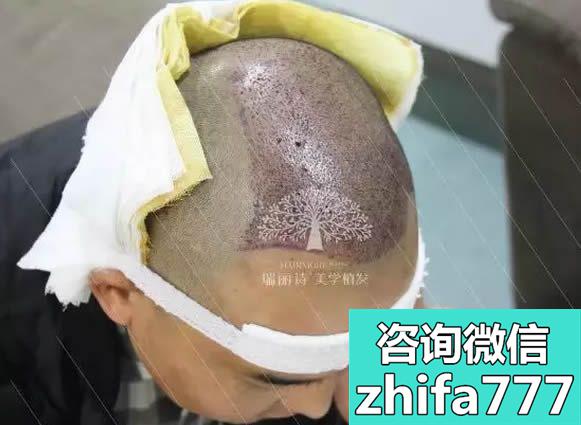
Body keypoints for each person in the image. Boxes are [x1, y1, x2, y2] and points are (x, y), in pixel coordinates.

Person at [0, 37, 423, 424]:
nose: (318, 407)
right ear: (120, 292)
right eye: (279, 379)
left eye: (362, 348)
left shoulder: (362, 268)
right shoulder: (18, 345)